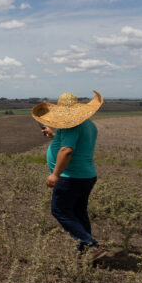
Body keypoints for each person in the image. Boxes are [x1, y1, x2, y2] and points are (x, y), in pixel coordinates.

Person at [32, 91, 108, 261]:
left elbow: (67, 151)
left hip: (70, 177)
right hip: (86, 175)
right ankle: (86, 251)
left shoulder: (71, 126)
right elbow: (74, 144)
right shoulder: (88, 125)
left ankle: (91, 246)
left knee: (60, 210)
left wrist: (55, 175)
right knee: (78, 212)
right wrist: (54, 135)